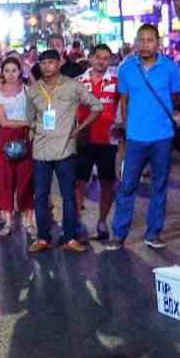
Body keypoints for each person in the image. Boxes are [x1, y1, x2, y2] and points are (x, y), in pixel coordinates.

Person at [109, 24, 180, 250]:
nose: (145, 44)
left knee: (159, 186)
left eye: (150, 40)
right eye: (141, 40)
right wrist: (125, 130)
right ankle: (119, 234)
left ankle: (154, 233)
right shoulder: (126, 68)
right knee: (127, 185)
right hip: (135, 137)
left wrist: (175, 116)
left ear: (157, 43)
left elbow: (174, 98)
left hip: (162, 136)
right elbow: (124, 102)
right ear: (135, 42)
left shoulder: (169, 68)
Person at [25, 49, 102, 253]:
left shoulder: (72, 86)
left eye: (51, 62)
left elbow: (96, 106)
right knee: (40, 196)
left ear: (59, 63)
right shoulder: (33, 90)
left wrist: (79, 128)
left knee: (68, 196)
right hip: (41, 150)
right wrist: (37, 129)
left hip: (65, 150)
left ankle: (70, 238)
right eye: (43, 63)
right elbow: (29, 118)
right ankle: (43, 238)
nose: (47, 66)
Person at [74, 44, 119, 240]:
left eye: (106, 58)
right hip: (84, 139)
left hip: (108, 140)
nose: (101, 61)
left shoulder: (117, 82)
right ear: (90, 58)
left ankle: (102, 222)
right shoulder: (77, 82)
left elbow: (124, 107)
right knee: (78, 182)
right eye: (98, 57)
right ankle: (77, 222)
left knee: (107, 183)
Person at [0, 55, 34, 238]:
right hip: (7, 138)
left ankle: (29, 221)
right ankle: (8, 222)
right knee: (5, 179)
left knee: (27, 179)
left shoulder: (27, 89)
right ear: (2, 72)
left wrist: (27, 67)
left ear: (20, 72)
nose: (10, 74)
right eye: (7, 70)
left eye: (14, 70)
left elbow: (39, 89)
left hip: (26, 138)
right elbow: (3, 122)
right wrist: (27, 122)